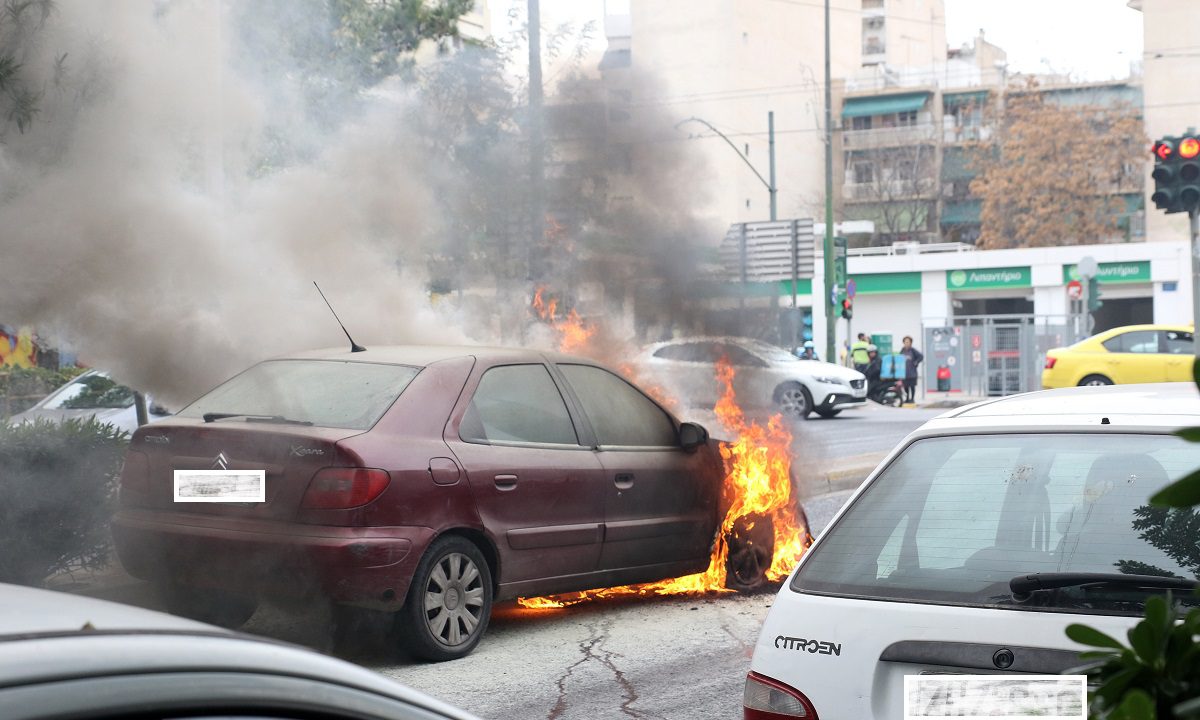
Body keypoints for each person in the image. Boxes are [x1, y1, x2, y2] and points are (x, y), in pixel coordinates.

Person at [899, 335, 924, 404]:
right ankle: (907, 398)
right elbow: (899, 359)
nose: (906, 343)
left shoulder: (913, 350)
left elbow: (921, 356)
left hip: (912, 372)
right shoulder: (902, 350)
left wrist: (916, 362)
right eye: (905, 342)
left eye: (908, 342)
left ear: (910, 343)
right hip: (905, 373)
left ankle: (912, 399)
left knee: (912, 386)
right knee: (905, 387)